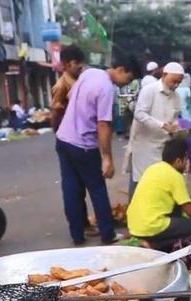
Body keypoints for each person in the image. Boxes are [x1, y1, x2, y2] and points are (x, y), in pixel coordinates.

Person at [55, 54, 142, 246]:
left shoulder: (90, 73)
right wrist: (107, 158)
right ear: (121, 70)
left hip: (63, 138)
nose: (125, 84)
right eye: (128, 79)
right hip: (83, 145)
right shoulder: (106, 89)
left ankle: (77, 234)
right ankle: (108, 234)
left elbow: (70, 96)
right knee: (97, 189)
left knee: (71, 187)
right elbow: (104, 125)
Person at [127, 138, 191, 249]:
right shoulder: (175, 175)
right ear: (178, 161)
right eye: (186, 159)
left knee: (178, 213)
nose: (187, 164)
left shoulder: (154, 168)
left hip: (135, 225)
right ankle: (156, 245)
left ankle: (151, 241)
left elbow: (174, 199)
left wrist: (190, 201)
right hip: (151, 225)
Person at [50, 44, 98, 237]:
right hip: (72, 140)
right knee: (76, 187)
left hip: (72, 138)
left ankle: (81, 227)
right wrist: (58, 132)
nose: (81, 68)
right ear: (69, 64)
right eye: (78, 65)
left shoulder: (78, 81)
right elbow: (55, 112)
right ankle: (80, 227)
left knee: (76, 186)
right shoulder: (62, 85)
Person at [128, 62, 184, 200]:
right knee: (141, 180)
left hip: (163, 145)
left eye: (179, 82)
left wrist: (176, 127)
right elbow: (139, 114)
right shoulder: (149, 90)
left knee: (159, 181)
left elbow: (175, 118)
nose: (176, 85)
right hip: (145, 146)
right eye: (174, 81)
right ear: (164, 75)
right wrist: (162, 125)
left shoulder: (176, 97)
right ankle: (134, 214)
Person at [51, 44, 85, 131]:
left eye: (81, 62)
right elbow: (56, 113)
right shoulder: (61, 86)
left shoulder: (81, 79)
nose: (81, 66)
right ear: (65, 64)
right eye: (76, 63)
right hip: (71, 132)